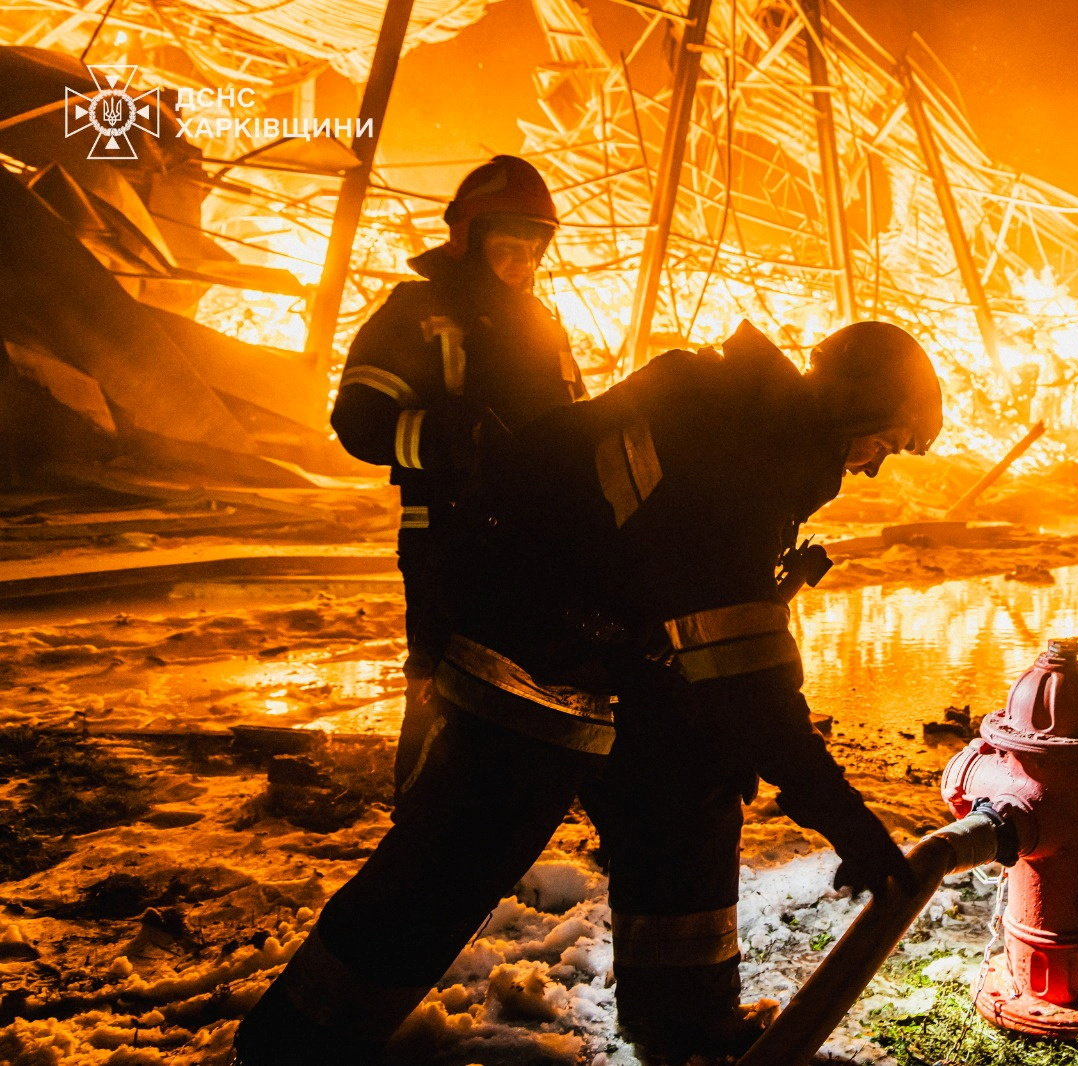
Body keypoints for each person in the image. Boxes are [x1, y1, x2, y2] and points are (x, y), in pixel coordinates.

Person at [233, 318, 941, 1065]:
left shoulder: (736, 410)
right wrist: (846, 818)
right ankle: (299, 1042)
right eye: (882, 445)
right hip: (527, 655)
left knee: (686, 798)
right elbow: (750, 686)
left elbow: (692, 616)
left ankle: (686, 1031)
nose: (870, 469)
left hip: (610, 651)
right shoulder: (745, 451)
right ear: (852, 409)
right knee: (451, 865)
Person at [328, 155, 586, 798]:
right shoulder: (418, 311)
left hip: (537, 540)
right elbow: (358, 421)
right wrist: (451, 442)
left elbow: (575, 424)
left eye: (532, 249)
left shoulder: (543, 324)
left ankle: (504, 818)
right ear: (468, 240)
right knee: (441, 686)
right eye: (506, 246)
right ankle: (417, 816)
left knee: (540, 686)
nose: (521, 264)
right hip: (447, 536)